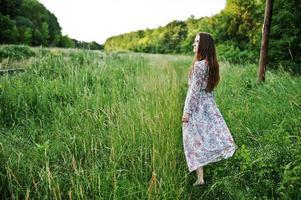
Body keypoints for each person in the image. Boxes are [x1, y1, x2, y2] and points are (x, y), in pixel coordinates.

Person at [181, 32, 237, 188]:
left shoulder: (199, 65)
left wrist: (187, 112)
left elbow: (193, 91)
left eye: (197, 41)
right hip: (209, 105)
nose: (194, 44)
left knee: (193, 139)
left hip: (198, 106)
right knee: (206, 137)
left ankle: (200, 178)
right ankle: (202, 176)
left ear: (204, 45)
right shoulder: (211, 64)